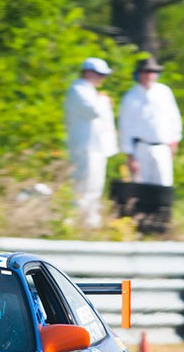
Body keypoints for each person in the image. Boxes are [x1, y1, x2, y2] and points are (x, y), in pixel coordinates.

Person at [64, 57, 119, 228]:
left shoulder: (90, 92)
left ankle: (90, 223)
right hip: (86, 146)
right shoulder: (78, 89)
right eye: (99, 74)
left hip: (96, 147)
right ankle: (74, 222)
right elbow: (93, 111)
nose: (102, 78)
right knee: (83, 187)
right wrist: (103, 100)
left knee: (95, 187)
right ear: (88, 73)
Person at [118, 56, 182, 187]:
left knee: (163, 184)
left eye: (152, 72)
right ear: (139, 74)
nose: (149, 75)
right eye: (146, 72)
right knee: (142, 186)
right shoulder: (131, 97)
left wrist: (174, 140)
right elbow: (125, 127)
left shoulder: (164, 92)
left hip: (163, 146)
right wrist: (130, 156)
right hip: (141, 147)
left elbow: (174, 117)